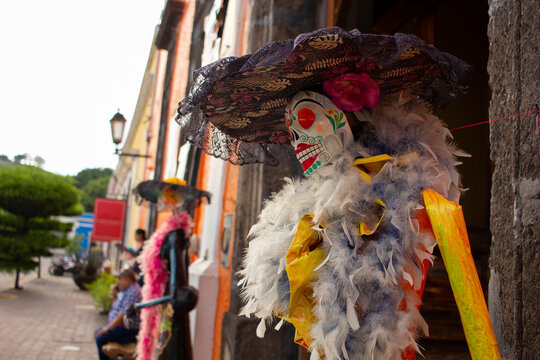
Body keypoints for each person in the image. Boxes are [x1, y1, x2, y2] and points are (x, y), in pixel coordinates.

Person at [95, 268, 142, 360]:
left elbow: (122, 316)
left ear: (127, 279)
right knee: (98, 333)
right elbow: (116, 308)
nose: (118, 282)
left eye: (119, 280)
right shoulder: (126, 289)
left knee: (100, 337)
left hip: (128, 331)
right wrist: (114, 295)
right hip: (120, 327)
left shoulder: (133, 292)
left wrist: (108, 328)